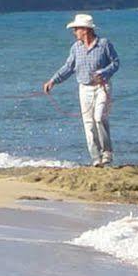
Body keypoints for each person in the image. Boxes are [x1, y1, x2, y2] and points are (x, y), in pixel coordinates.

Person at [42, 12, 120, 167]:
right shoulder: (76, 48)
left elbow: (116, 63)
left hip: (102, 87)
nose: (74, 32)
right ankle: (95, 158)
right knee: (89, 124)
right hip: (84, 88)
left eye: (76, 29)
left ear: (86, 30)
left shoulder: (104, 44)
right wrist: (53, 81)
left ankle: (107, 153)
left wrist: (103, 73)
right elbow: (69, 67)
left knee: (99, 118)